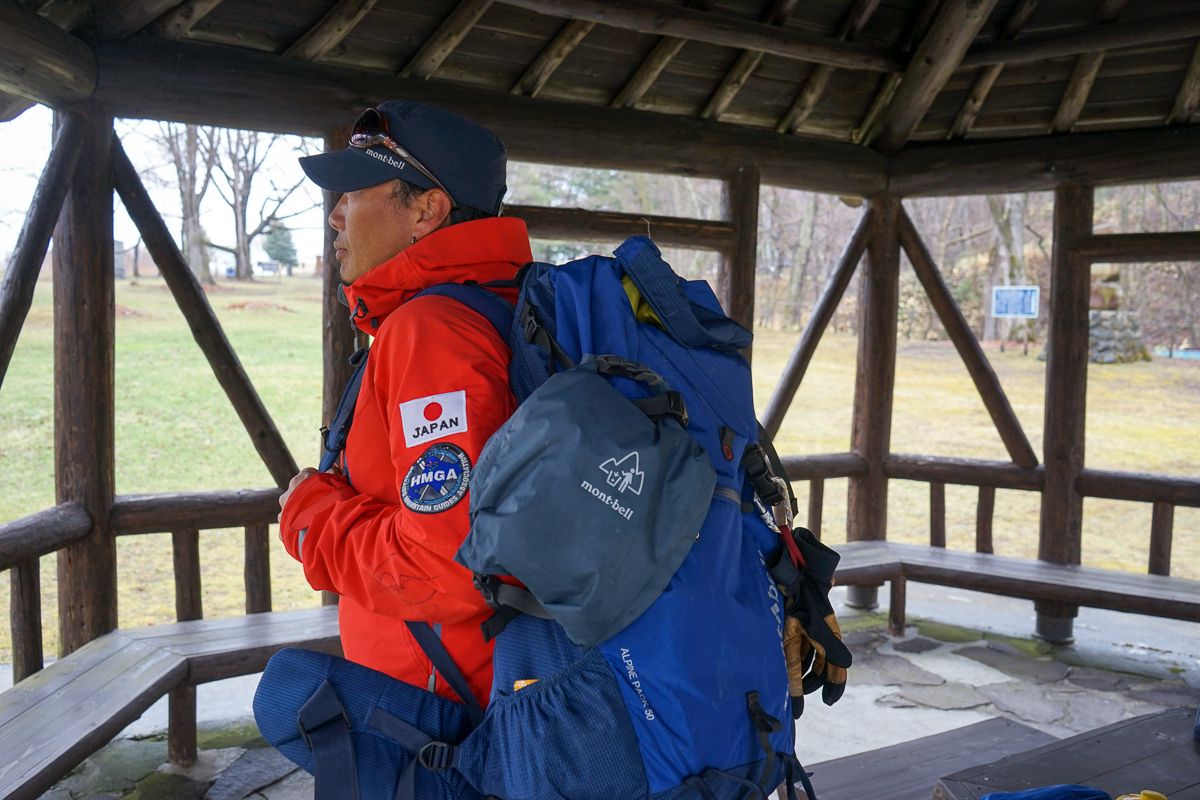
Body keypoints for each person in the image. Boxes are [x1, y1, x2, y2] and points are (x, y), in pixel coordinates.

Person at [276, 101, 531, 708]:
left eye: (356, 190)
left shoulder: (434, 332)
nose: (336, 215)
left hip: (447, 714)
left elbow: (445, 565)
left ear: (426, 209)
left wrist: (312, 519)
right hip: (485, 684)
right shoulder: (499, 307)